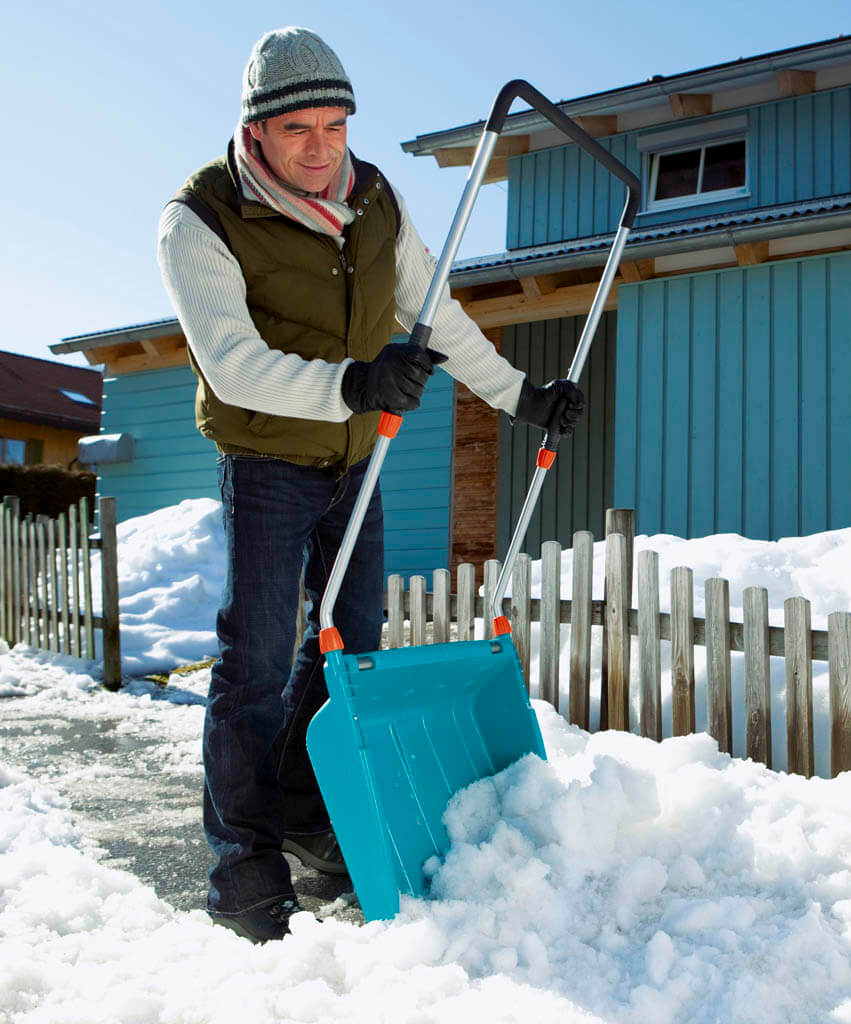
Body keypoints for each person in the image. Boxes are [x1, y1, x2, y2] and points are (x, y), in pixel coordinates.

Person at [157, 26, 584, 943]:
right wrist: (351, 382)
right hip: (267, 460)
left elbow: (433, 312)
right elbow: (230, 365)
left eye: (335, 126)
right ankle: (245, 866)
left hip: (357, 461)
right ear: (257, 132)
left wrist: (521, 397)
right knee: (257, 663)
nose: (321, 148)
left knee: (349, 651)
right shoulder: (200, 218)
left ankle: (312, 823)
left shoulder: (375, 200)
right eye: (298, 130)